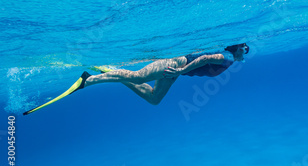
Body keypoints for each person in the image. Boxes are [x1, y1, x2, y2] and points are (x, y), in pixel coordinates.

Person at [23, 43, 249, 115]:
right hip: (176, 65)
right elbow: (206, 59)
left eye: (246, 51)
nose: (245, 53)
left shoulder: (230, 58)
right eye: (244, 49)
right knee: (138, 75)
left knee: (154, 98)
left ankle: (108, 71)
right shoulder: (225, 56)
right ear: (237, 49)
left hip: (177, 68)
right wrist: (180, 71)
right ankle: (86, 80)